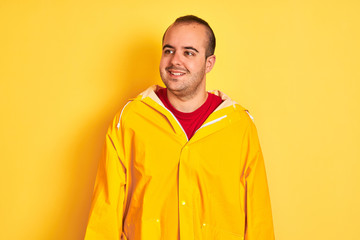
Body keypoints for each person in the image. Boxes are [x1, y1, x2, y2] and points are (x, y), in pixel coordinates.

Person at [84, 15, 275, 240]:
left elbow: (258, 216)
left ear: (209, 63)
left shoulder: (239, 126)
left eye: (189, 52)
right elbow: (105, 210)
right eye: (169, 50)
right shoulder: (130, 120)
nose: (175, 60)